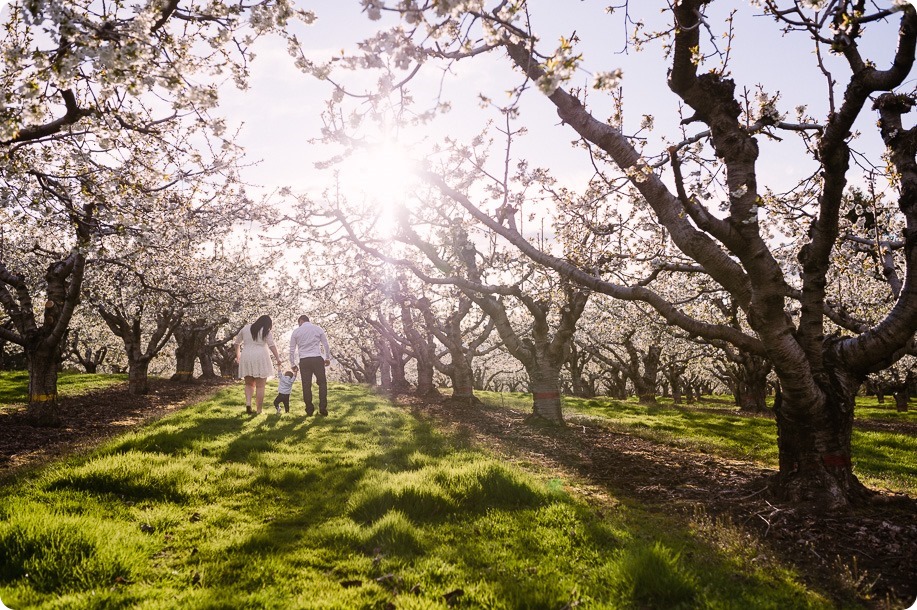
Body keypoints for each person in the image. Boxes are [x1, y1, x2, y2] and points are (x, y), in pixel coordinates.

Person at [234, 314, 282, 414]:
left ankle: (248, 404)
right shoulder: (266, 331)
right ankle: (259, 410)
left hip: (246, 355)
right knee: (260, 386)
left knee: (248, 384)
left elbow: (236, 343)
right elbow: (271, 345)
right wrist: (277, 358)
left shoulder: (245, 328)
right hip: (260, 356)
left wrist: (238, 355)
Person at [289, 314, 331, 416]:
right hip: (317, 358)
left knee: (306, 385)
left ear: (300, 321)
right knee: (322, 383)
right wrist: (327, 358)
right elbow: (326, 344)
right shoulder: (317, 329)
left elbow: (291, 350)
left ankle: (309, 409)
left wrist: (293, 364)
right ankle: (322, 407)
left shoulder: (296, 332)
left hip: (304, 360)